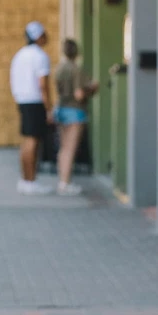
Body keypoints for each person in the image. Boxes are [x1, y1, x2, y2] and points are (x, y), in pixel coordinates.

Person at [9, 21, 53, 195]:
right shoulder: (40, 56)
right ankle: (31, 181)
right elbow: (43, 85)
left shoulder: (19, 55)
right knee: (33, 142)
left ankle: (25, 180)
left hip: (23, 100)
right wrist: (49, 108)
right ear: (38, 36)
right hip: (35, 101)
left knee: (27, 141)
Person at [52, 39, 98, 197]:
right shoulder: (77, 70)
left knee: (63, 147)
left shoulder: (59, 68)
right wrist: (92, 88)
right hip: (75, 111)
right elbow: (79, 94)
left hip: (61, 109)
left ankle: (62, 180)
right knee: (70, 148)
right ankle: (65, 183)